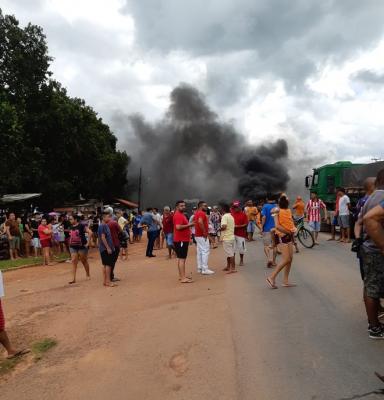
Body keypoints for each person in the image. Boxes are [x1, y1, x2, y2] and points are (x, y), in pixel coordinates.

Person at [357, 169, 384, 338]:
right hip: (376, 251)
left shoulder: (370, 198)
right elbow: (368, 219)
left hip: (368, 248)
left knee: (370, 286)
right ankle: (374, 327)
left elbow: (360, 221)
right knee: (373, 288)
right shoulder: (381, 197)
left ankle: (373, 324)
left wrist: (359, 239)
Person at [266, 195, 297, 289]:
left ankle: (285, 281)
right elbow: (277, 226)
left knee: (290, 259)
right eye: (286, 199)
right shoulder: (277, 210)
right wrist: (288, 232)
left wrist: (293, 231)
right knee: (286, 259)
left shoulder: (288, 210)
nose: (288, 200)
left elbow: (290, 222)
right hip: (281, 235)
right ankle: (271, 277)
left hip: (289, 235)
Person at [173, 201, 194, 283]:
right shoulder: (178, 215)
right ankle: (183, 278)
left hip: (181, 240)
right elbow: (178, 227)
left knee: (180, 259)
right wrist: (190, 224)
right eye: (181, 206)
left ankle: (182, 275)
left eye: (184, 205)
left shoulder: (181, 215)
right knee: (182, 259)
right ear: (177, 207)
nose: (183, 207)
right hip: (181, 240)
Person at [68, 214, 92, 284]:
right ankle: (73, 278)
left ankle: (87, 274)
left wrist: (88, 243)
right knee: (73, 260)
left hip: (82, 246)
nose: (70, 220)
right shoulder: (70, 226)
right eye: (69, 219)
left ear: (75, 219)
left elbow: (90, 232)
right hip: (73, 246)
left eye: (71, 219)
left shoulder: (81, 226)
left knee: (83, 260)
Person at [194, 201, 215, 275]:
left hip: (197, 235)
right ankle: (205, 269)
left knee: (200, 251)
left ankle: (200, 268)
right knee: (205, 251)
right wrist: (204, 232)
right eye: (204, 206)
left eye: (206, 206)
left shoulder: (197, 213)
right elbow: (200, 222)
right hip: (202, 235)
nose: (206, 207)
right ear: (200, 206)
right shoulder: (201, 213)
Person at [98, 211, 116, 287]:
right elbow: (103, 237)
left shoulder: (104, 225)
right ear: (103, 217)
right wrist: (108, 248)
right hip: (105, 249)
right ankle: (108, 281)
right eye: (108, 217)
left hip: (104, 248)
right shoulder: (103, 226)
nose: (110, 218)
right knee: (108, 265)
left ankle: (105, 281)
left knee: (105, 265)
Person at [261, 195, 278, 268]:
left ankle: (269, 259)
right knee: (274, 246)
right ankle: (274, 262)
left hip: (267, 229)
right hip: (276, 229)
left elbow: (264, 217)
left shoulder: (265, 206)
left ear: (267, 199)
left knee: (266, 246)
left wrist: (261, 227)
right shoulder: (276, 206)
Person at [107, 210, 123, 281]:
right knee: (113, 261)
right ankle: (111, 277)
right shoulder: (114, 223)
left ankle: (108, 276)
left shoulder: (103, 224)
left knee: (107, 261)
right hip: (115, 243)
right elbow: (121, 231)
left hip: (106, 245)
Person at [231, 201, 248, 266]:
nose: (236, 208)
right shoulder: (231, 214)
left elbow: (246, 224)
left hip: (241, 234)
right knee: (233, 248)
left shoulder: (243, 215)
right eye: (234, 207)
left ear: (240, 207)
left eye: (237, 207)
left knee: (241, 248)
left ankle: (241, 260)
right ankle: (233, 261)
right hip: (232, 234)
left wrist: (238, 226)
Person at [221, 204, 236, 274]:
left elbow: (224, 226)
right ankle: (228, 266)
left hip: (227, 237)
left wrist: (218, 229)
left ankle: (233, 268)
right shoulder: (231, 216)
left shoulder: (224, 216)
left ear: (223, 210)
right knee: (229, 253)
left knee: (230, 254)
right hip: (231, 237)